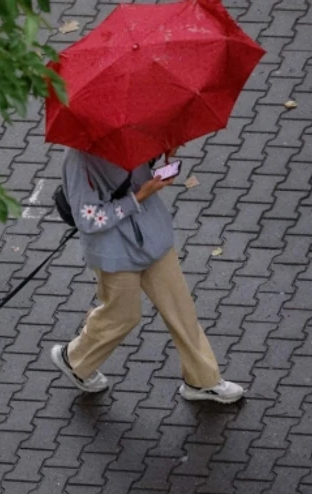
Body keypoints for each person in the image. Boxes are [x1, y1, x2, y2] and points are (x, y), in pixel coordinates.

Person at [49, 147, 244, 404]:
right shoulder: (79, 161)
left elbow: (138, 176)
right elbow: (88, 219)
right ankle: (74, 359)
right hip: (114, 252)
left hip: (153, 237)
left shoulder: (132, 135)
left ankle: (203, 380)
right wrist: (139, 196)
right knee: (122, 316)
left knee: (181, 309)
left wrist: (158, 155)